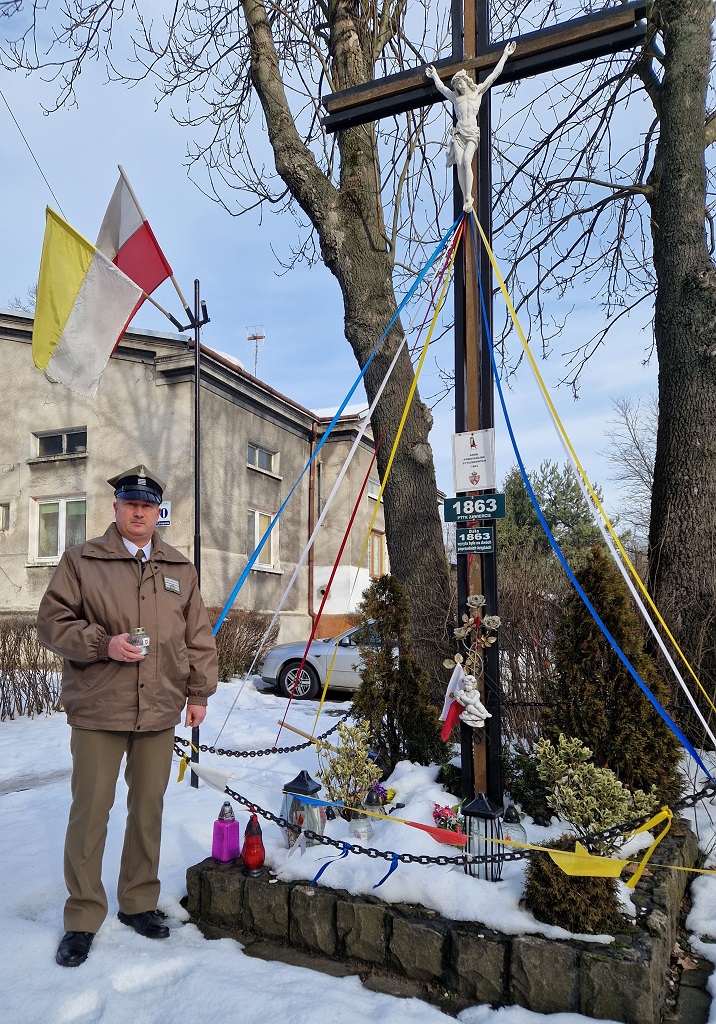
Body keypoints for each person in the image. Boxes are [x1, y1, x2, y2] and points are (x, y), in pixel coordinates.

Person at [37, 464, 218, 968]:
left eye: (147, 506)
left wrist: (199, 691)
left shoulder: (179, 568)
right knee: (91, 812)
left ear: (157, 512)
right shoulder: (82, 560)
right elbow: (51, 624)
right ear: (115, 508)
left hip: (160, 707)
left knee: (148, 810)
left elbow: (197, 635)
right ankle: (82, 915)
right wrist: (103, 643)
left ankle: (137, 901)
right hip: (99, 707)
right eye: (129, 504)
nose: (139, 513)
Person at [426, 41, 516, 211]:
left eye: (459, 83)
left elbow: (494, 75)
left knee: (467, 160)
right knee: (459, 162)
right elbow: (441, 88)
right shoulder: (455, 97)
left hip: (472, 133)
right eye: (455, 85)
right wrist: (434, 75)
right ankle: (465, 198)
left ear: (465, 81)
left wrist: (505, 55)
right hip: (459, 133)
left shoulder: (477, 92)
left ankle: (469, 196)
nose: (457, 87)